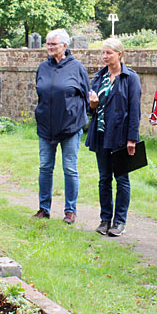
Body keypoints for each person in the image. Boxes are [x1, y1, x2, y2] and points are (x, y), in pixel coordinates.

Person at [85, 38, 141, 237]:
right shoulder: (98, 78)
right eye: (103, 53)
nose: (105, 57)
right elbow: (92, 110)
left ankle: (119, 222)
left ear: (120, 54)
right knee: (103, 179)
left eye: (109, 53)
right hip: (101, 135)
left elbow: (135, 110)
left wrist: (132, 139)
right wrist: (92, 105)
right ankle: (105, 219)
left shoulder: (130, 78)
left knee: (122, 179)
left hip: (120, 136)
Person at [34, 29, 90, 224]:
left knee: (70, 168)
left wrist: (77, 118)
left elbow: (86, 96)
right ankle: (43, 208)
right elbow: (39, 91)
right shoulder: (42, 67)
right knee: (45, 167)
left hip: (69, 127)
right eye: (48, 44)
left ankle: (70, 210)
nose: (49, 47)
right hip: (45, 127)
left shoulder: (77, 68)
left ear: (64, 46)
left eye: (53, 44)